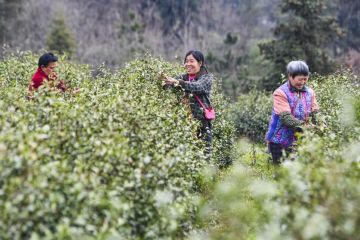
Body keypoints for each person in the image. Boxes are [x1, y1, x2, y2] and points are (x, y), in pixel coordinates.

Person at [265, 60, 319, 164]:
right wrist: (307, 126)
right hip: (279, 141)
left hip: (301, 140)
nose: (302, 82)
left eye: (305, 79)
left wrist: (320, 125)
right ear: (290, 76)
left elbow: (315, 111)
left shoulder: (310, 92)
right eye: (299, 79)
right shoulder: (280, 93)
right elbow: (287, 119)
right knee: (282, 174)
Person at [161, 50, 213, 156]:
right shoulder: (183, 77)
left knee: (204, 152)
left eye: (191, 61)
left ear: (200, 63)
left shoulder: (206, 78)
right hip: (185, 122)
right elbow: (170, 84)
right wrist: (164, 82)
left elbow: (198, 86)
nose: (188, 64)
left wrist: (179, 83)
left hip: (201, 122)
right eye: (186, 61)